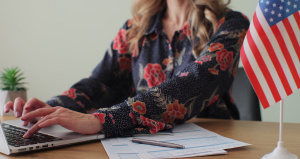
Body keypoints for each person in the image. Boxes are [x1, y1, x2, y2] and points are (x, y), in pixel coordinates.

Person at [4, 0, 249, 138]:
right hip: (147, 144)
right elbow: (99, 84)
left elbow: (196, 82)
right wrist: (52, 108)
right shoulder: (134, 29)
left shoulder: (231, 24)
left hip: (215, 144)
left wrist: (104, 119)